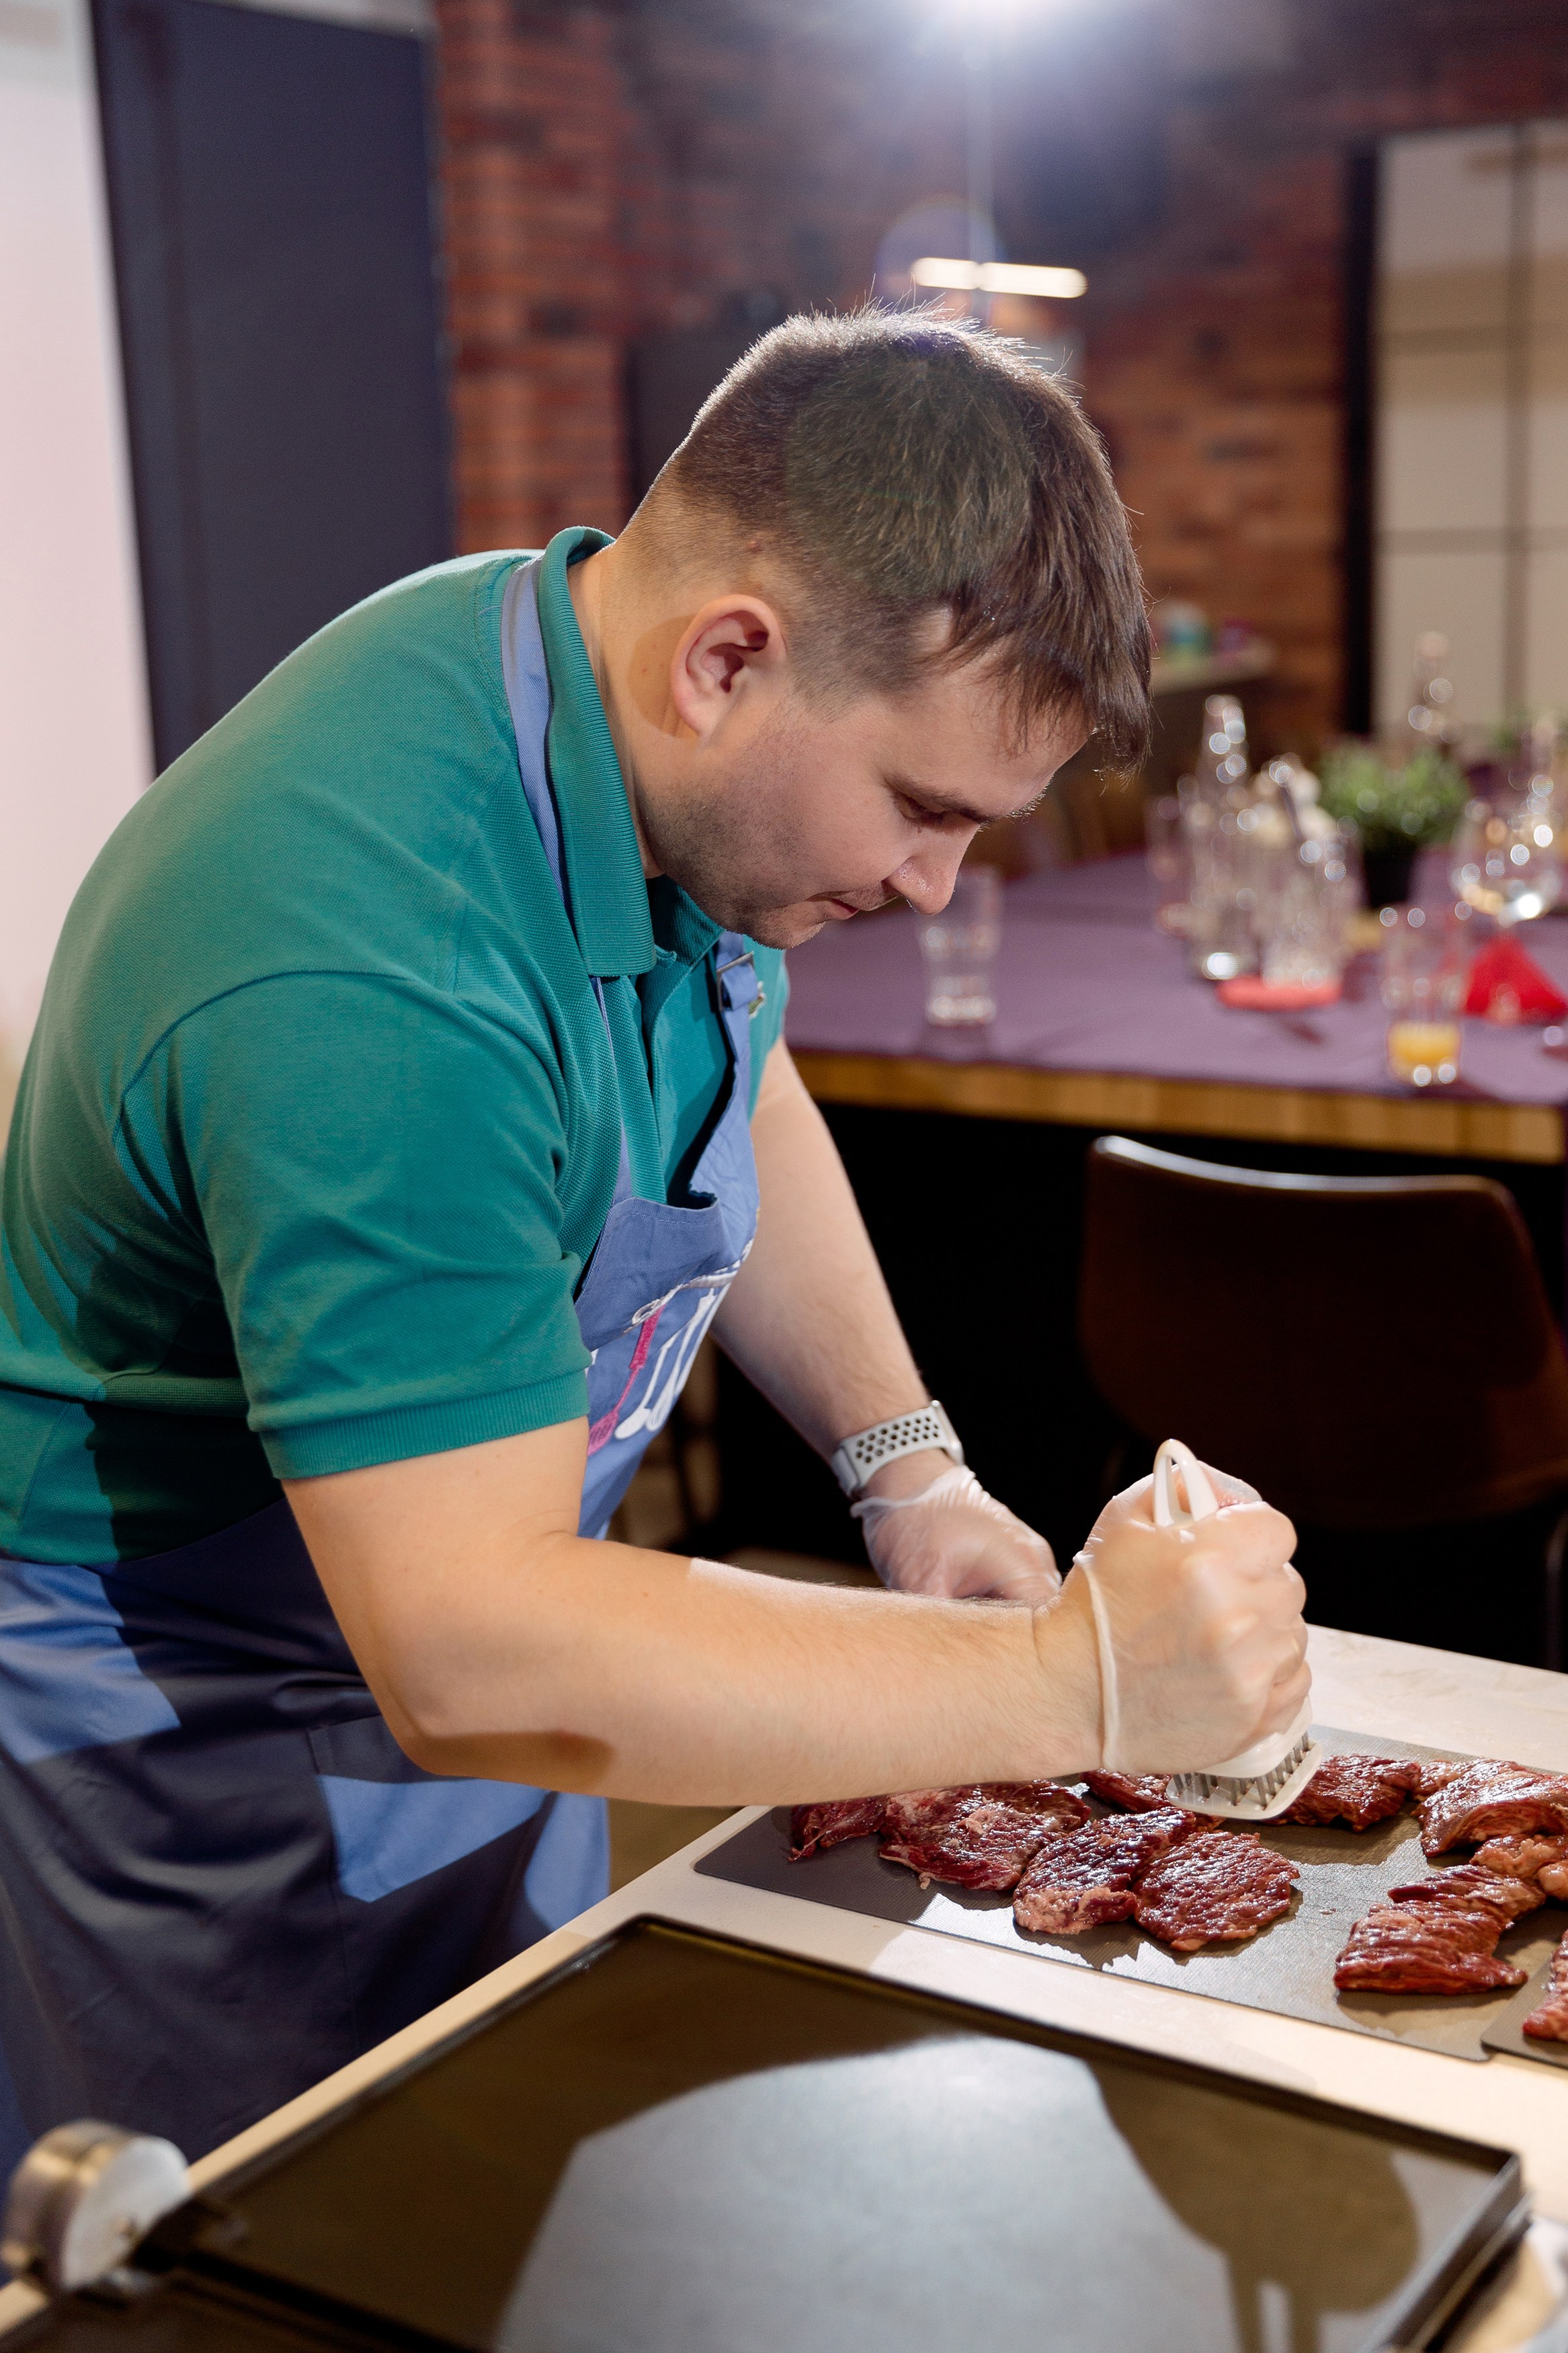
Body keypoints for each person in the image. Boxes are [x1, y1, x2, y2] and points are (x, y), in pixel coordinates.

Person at [0, 312, 1307, 2174]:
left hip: (509, 1669)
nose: (937, 887)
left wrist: (902, 1462)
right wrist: (1077, 1681)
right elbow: (468, 1640)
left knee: (508, 2180)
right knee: (281, 2253)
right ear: (729, 659)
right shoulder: (376, 949)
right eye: (926, 811)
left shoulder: (640, 736)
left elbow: (732, 1070)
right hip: (197, 1763)